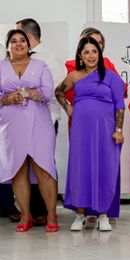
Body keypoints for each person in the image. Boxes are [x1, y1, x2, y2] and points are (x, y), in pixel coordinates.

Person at [55, 36, 125, 232]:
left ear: (99, 53)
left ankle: (103, 215)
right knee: (80, 167)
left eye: (94, 51)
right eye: (86, 52)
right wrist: (68, 107)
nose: (91, 55)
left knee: (104, 168)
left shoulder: (111, 76)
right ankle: (80, 214)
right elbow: (58, 92)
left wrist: (118, 130)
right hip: (81, 130)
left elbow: (120, 106)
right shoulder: (75, 76)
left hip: (105, 130)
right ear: (80, 55)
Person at [0, 29, 58, 233]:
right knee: (18, 170)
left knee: (44, 168)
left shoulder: (41, 66)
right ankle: (25, 215)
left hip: (39, 122)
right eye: (13, 41)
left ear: (29, 44)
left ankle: (51, 214)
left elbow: (49, 93)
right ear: (8, 46)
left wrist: (30, 93)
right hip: (10, 124)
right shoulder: (1, 67)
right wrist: (8, 98)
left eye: (22, 41)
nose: (18, 44)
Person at [14, 18, 66, 227]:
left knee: (43, 166)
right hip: (18, 120)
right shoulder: (14, 60)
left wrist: (24, 91)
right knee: (22, 165)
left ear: (28, 36)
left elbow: (49, 92)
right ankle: (29, 211)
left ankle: (47, 212)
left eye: (19, 36)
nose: (15, 41)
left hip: (44, 120)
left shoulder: (50, 60)